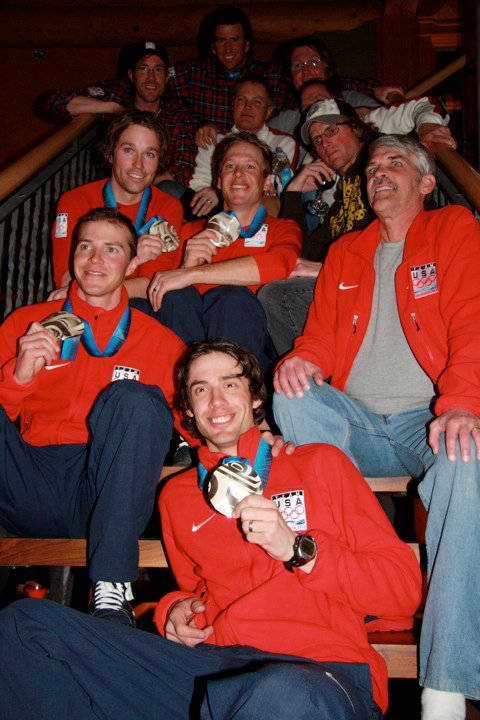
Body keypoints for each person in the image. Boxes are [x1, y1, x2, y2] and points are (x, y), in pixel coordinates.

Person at [0, 339, 421, 720]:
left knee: (278, 696)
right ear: (187, 409)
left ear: (257, 397)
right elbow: (198, 592)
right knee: (25, 627)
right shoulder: (177, 496)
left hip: (317, 670)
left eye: (230, 384)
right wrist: (174, 611)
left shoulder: (318, 464)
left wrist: (297, 549)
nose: (215, 400)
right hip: (213, 667)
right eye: (200, 389)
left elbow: (403, 592)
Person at [273, 135, 480, 720]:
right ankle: (344, 593)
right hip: (355, 423)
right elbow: (318, 336)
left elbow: (471, 318)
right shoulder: (347, 250)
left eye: (395, 164)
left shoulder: (454, 228)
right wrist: (303, 358)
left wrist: (462, 401)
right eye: (371, 169)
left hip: (429, 418)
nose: (378, 174)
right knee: (292, 399)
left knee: (469, 459)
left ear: (427, 182)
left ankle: (445, 683)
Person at [0, 208, 186, 625]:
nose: (95, 260)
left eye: (111, 249)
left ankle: (111, 590)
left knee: (134, 399)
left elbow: (199, 424)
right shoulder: (24, 323)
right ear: (72, 256)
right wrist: (18, 376)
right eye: (85, 247)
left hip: (108, 488)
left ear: (133, 263)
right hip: (29, 479)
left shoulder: (161, 342)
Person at [259, 95, 455, 356]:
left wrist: (428, 124)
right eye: (318, 140)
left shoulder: (379, 176)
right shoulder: (342, 196)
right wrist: (293, 192)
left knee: (277, 296)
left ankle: (316, 381)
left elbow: (396, 237)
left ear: (355, 128)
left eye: (331, 130)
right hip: (347, 284)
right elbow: (301, 252)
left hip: (390, 280)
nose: (325, 143)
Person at [136, 132, 302, 370]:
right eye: (230, 165)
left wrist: (194, 275)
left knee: (231, 299)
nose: (238, 173)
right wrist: (187, 266)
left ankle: (236, 391)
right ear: (218, 180)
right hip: (187, 344)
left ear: (267, 182)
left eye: (250, 166)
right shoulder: (188, 232)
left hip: (248, 343)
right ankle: (185, 392)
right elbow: (158, 292)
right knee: (175, 295)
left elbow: (278, 265)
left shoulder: (282, 228)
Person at [51, 110, 184, 298]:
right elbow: (65, 280)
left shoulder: (168, 207)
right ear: (110, 153)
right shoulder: (75, 201)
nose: (138, 164)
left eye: (149, 154)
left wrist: (91, 289)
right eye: (129, 150)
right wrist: (136, 259)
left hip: (137, 307)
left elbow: (151, 286)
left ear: (159, 161)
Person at [45, 39, 197, 189]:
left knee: (172, 189)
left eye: (158, 70)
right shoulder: (117, 95)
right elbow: (56, 101)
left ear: (167, 77)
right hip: (115, 187)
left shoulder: (179, 112)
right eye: (143, 69)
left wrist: (138, 181)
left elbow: (182, 171)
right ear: (131, 75)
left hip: (158, 188)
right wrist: (113, 108)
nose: (151, 78)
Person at [164, 5, 288, 175]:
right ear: (213, 47)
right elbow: (149, 80)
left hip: (256, 165)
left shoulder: (271, 75)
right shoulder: (191, 73)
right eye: (221, 40)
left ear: (246, 45)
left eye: (234, 40)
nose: (228, 49)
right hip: (204, 167)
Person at [188, 74, 297, 217]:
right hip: (215, 212)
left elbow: (276, 188)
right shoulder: (214, 140)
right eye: (241, 100)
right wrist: (216, 193)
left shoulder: (282, 142)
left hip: (262, 214)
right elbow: (198, 184)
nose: (247, 106)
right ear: (232, 105)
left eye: (256, 102)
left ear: (268, 111)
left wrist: (221, 193)